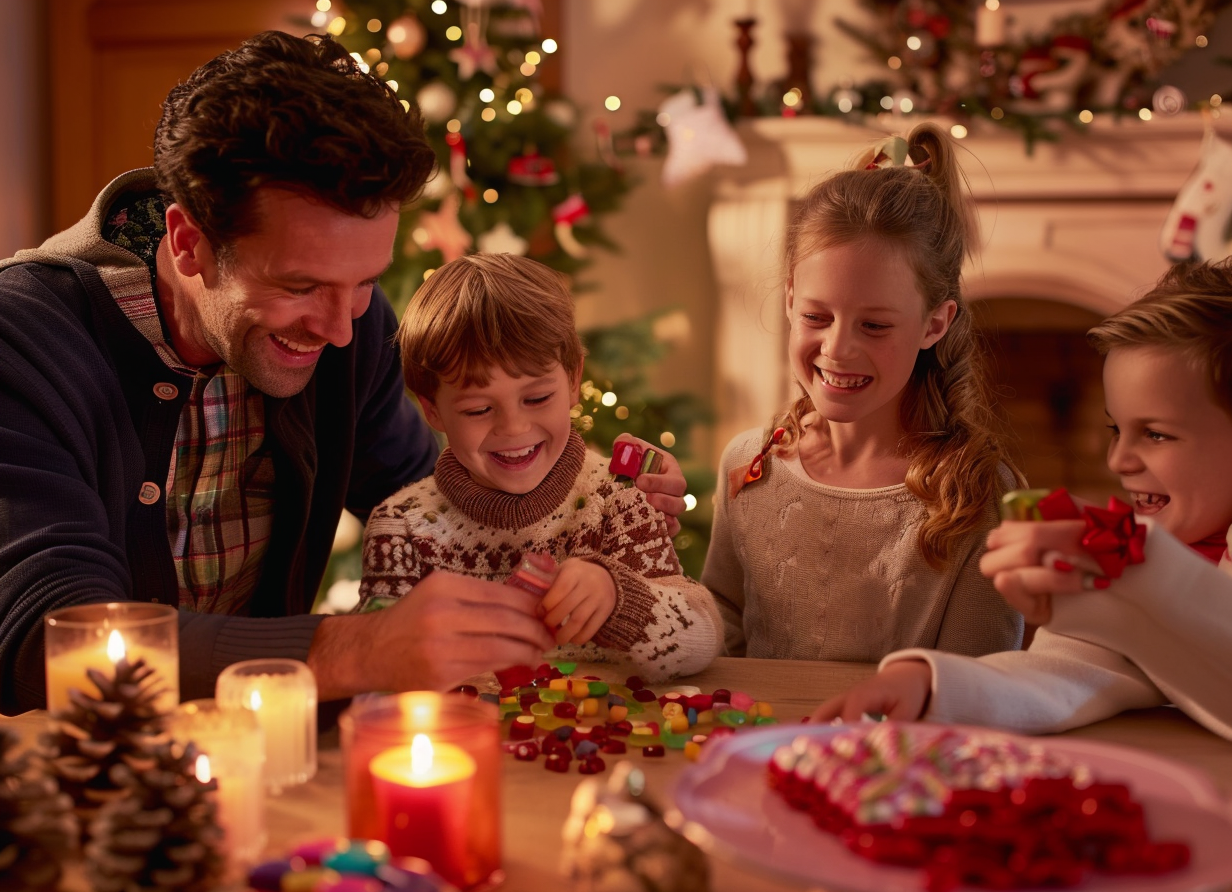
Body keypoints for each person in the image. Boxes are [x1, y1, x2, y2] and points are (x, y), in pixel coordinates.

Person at [0, 31, 685, 716]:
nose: (339, 329)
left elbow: (442, 516)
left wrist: (589, 508)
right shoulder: (23, 342)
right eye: (300, 285)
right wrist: (355, 650)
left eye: (364, 283)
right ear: (188, 243)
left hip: (263, 764)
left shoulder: (351, 333)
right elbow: (49, 643)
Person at [814, 260, 1232, 739]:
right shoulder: (1145, 558)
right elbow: (1068, 672)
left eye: (1156, 435)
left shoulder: (1144, 562)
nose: (1119, 461)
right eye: (1118, 430)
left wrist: (1138, 564)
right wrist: (932, 683)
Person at [701, 124, 1023, 663]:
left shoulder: (976, 496)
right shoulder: (748, 464)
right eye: (816, 316)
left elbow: (974, 691)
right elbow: (721, 628)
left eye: (874, 326)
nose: (838, 348)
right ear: (788, 300)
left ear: (934, 324)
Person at [357, 254, 723, 681]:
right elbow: (376, 666)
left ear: (572, 381)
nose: (513, 427)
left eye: (536, 399)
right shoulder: (399, 530)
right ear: (433, 411)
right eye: (478, 409)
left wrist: (621, 598)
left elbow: (703, 639)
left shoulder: (618, 499)